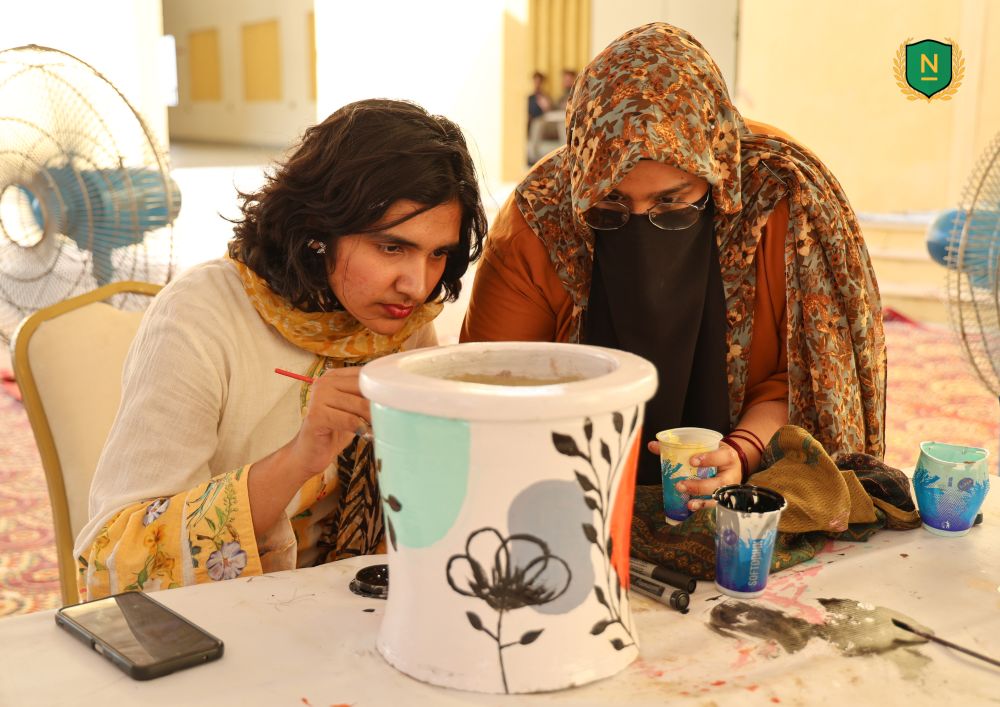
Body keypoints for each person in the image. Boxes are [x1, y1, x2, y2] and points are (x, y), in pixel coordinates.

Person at [74, 99, 487, 600]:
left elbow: (420, 506)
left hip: (349, 610)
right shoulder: (200, 316)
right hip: (228, 617)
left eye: (438, 253)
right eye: (392, 247)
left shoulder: (403, 326)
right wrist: (298, 458)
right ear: (318, 231)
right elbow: (116, 558)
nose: (417, 285)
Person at [461, 23, 885, 509]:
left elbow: (810, 383)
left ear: (717, 172)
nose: (643, 231)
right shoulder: (544, 217)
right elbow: (489, 398)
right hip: (566, 482)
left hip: (750, 486)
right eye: (612, 207)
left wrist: (739, 452)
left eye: (672, 203)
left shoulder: (780, 199)